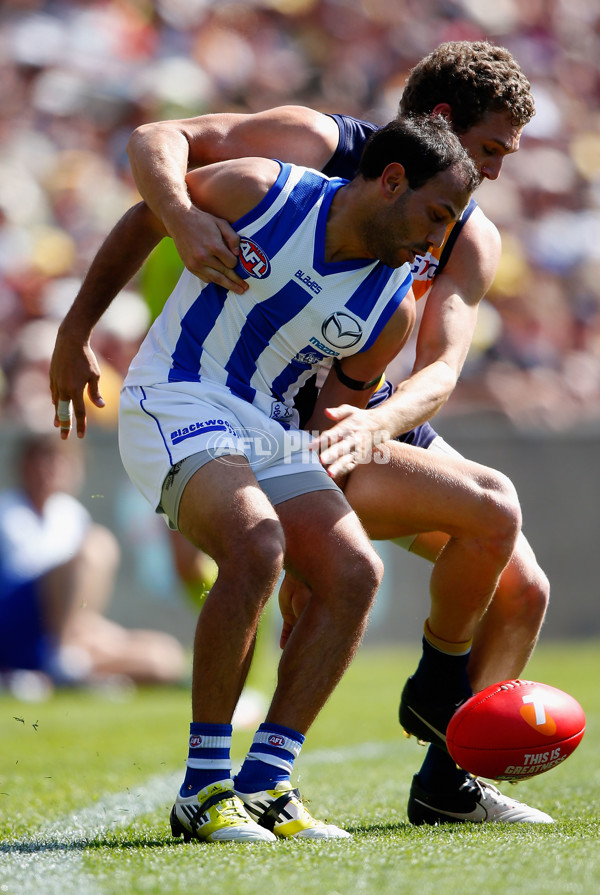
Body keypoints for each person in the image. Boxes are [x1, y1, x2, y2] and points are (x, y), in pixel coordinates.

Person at [118, 40, 553, 825]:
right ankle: (235, 777)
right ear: (443, 125)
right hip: (260, 412)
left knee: (522, 585)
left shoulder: (470, 234)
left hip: (359, 415)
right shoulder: (314, 148)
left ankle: (446, 765)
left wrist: (374, 425)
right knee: (305, 555)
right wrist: (179, 224)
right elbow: (160, 149)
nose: (492, 174)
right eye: (489, 150)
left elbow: (441, 369)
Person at [51, 115, 479, 842]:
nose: (435, 243)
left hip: (269, 428)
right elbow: (144, 213)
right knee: (257, 540)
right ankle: (203, 789)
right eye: (435, 216)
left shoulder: (391, 310)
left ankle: (268, 782)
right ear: (392, 180)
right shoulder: (265, 192)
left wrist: (327, 510)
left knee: (353, 571)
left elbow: (328, 420)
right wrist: (74, 332)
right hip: (175, 395)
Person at [0, 432, 186, 690]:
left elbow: (77, 605)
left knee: (163, 656)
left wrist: (93, 631)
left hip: (65, 633)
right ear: (24, 466)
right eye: (43, 460)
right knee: (97, 546)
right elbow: (37, 586)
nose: (51, 470)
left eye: (61, 461)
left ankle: (64, 670)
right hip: (17, 628)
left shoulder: (72, 515)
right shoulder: (7, 511)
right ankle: (60, 661)